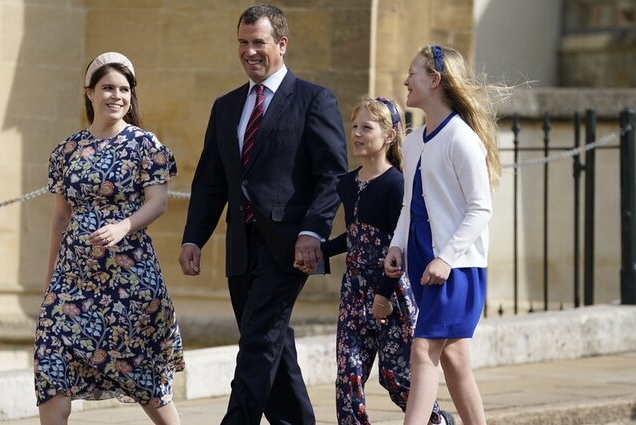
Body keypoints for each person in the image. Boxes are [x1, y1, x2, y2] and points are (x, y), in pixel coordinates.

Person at [178, 4, 348, 424]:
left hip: (290, 247)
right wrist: (192, 238)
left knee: (257, 343)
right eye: (243, 42)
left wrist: (313, 231)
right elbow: (210, 182)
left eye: (258, 42)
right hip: (240, 248)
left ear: (281, 45)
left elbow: (332, 175)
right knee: (273, 346)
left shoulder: (313, 99)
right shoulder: (225, 107)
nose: (249, 51)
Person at [34, 52, 184, 425]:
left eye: (123, 89)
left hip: (128, 279)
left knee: (142, 374)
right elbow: (60, 215)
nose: (116, 96)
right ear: (89, 93)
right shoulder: (68, 150)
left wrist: (123, 226)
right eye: (107, 88)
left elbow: (159, 202)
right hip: (72, 281)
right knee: (51, 363)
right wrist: (51, 275)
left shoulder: (145, 145)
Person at [384, 44, 504, 425]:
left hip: (456, 268)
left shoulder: (461, 138)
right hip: (421, 257)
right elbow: (408, 205)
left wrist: (446, 257)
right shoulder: (415, 140)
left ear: (434, 80)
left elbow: (480, 208)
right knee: (454, 359)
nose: (406, 80)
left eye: (413, 73)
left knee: (423, 350)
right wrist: (397, 246)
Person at [314, 97, 451, 425]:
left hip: (391, 293)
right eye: (355, 126)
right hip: (354, 292)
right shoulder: (347, 183)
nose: (357, 134)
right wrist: (321, 250)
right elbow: (355, 235)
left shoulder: (396, 184)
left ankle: (436, 421)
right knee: (348, 373)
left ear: (389, 135)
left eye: (367, 127)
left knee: (395, 377)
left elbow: (398, 244)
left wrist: (383, 294)